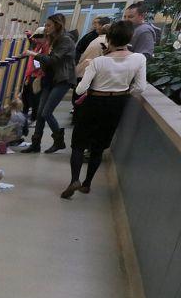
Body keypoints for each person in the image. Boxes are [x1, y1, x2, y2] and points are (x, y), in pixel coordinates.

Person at [62, 20, 147, 199]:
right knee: (99, 147)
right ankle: (87, 184)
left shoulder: (99, 62)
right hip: (117, 104)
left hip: (94, 102)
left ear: (108, 38)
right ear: (130, 38)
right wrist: (123, 91)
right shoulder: (139, 59)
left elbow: (80, 89)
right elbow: (140, 87)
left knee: (78, 144)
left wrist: (87, 67)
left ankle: (74, 180)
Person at [20, 14, 76, 154]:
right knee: (40, 113)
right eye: (46, 24)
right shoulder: (52, 39)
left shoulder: (65, 40)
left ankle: (59, 140)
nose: (46, 27)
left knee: (46, 112)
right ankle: (35, 144)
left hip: (62, 79)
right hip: (49, 79)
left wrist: (32, 54)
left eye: (49, 25)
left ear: (58, 25)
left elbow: (53, 60)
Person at [21, 30, 48, 125]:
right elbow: (32, 40)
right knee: (25, 97)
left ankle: (33, 118)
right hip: (30, 75)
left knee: (35, 98)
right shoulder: (38, 44)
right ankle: (24, 116)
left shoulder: (46, 47)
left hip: (37, 76)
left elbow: (41, 62)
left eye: (37, 38)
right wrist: (28, 34)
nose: (35, 40)